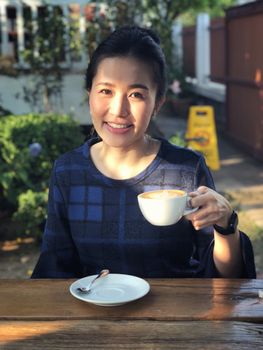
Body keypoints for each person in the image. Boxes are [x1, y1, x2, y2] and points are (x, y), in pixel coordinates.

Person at [32, 26, 256, 279]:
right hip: (93, 316)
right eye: (106, 91)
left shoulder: (185, 168)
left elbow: (224, 276)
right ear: (90, 95)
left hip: (176, 315)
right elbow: (55, 266)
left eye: (136, 94)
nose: (119, 110)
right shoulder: (68, 171)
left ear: (157, 103)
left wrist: (226, 225)